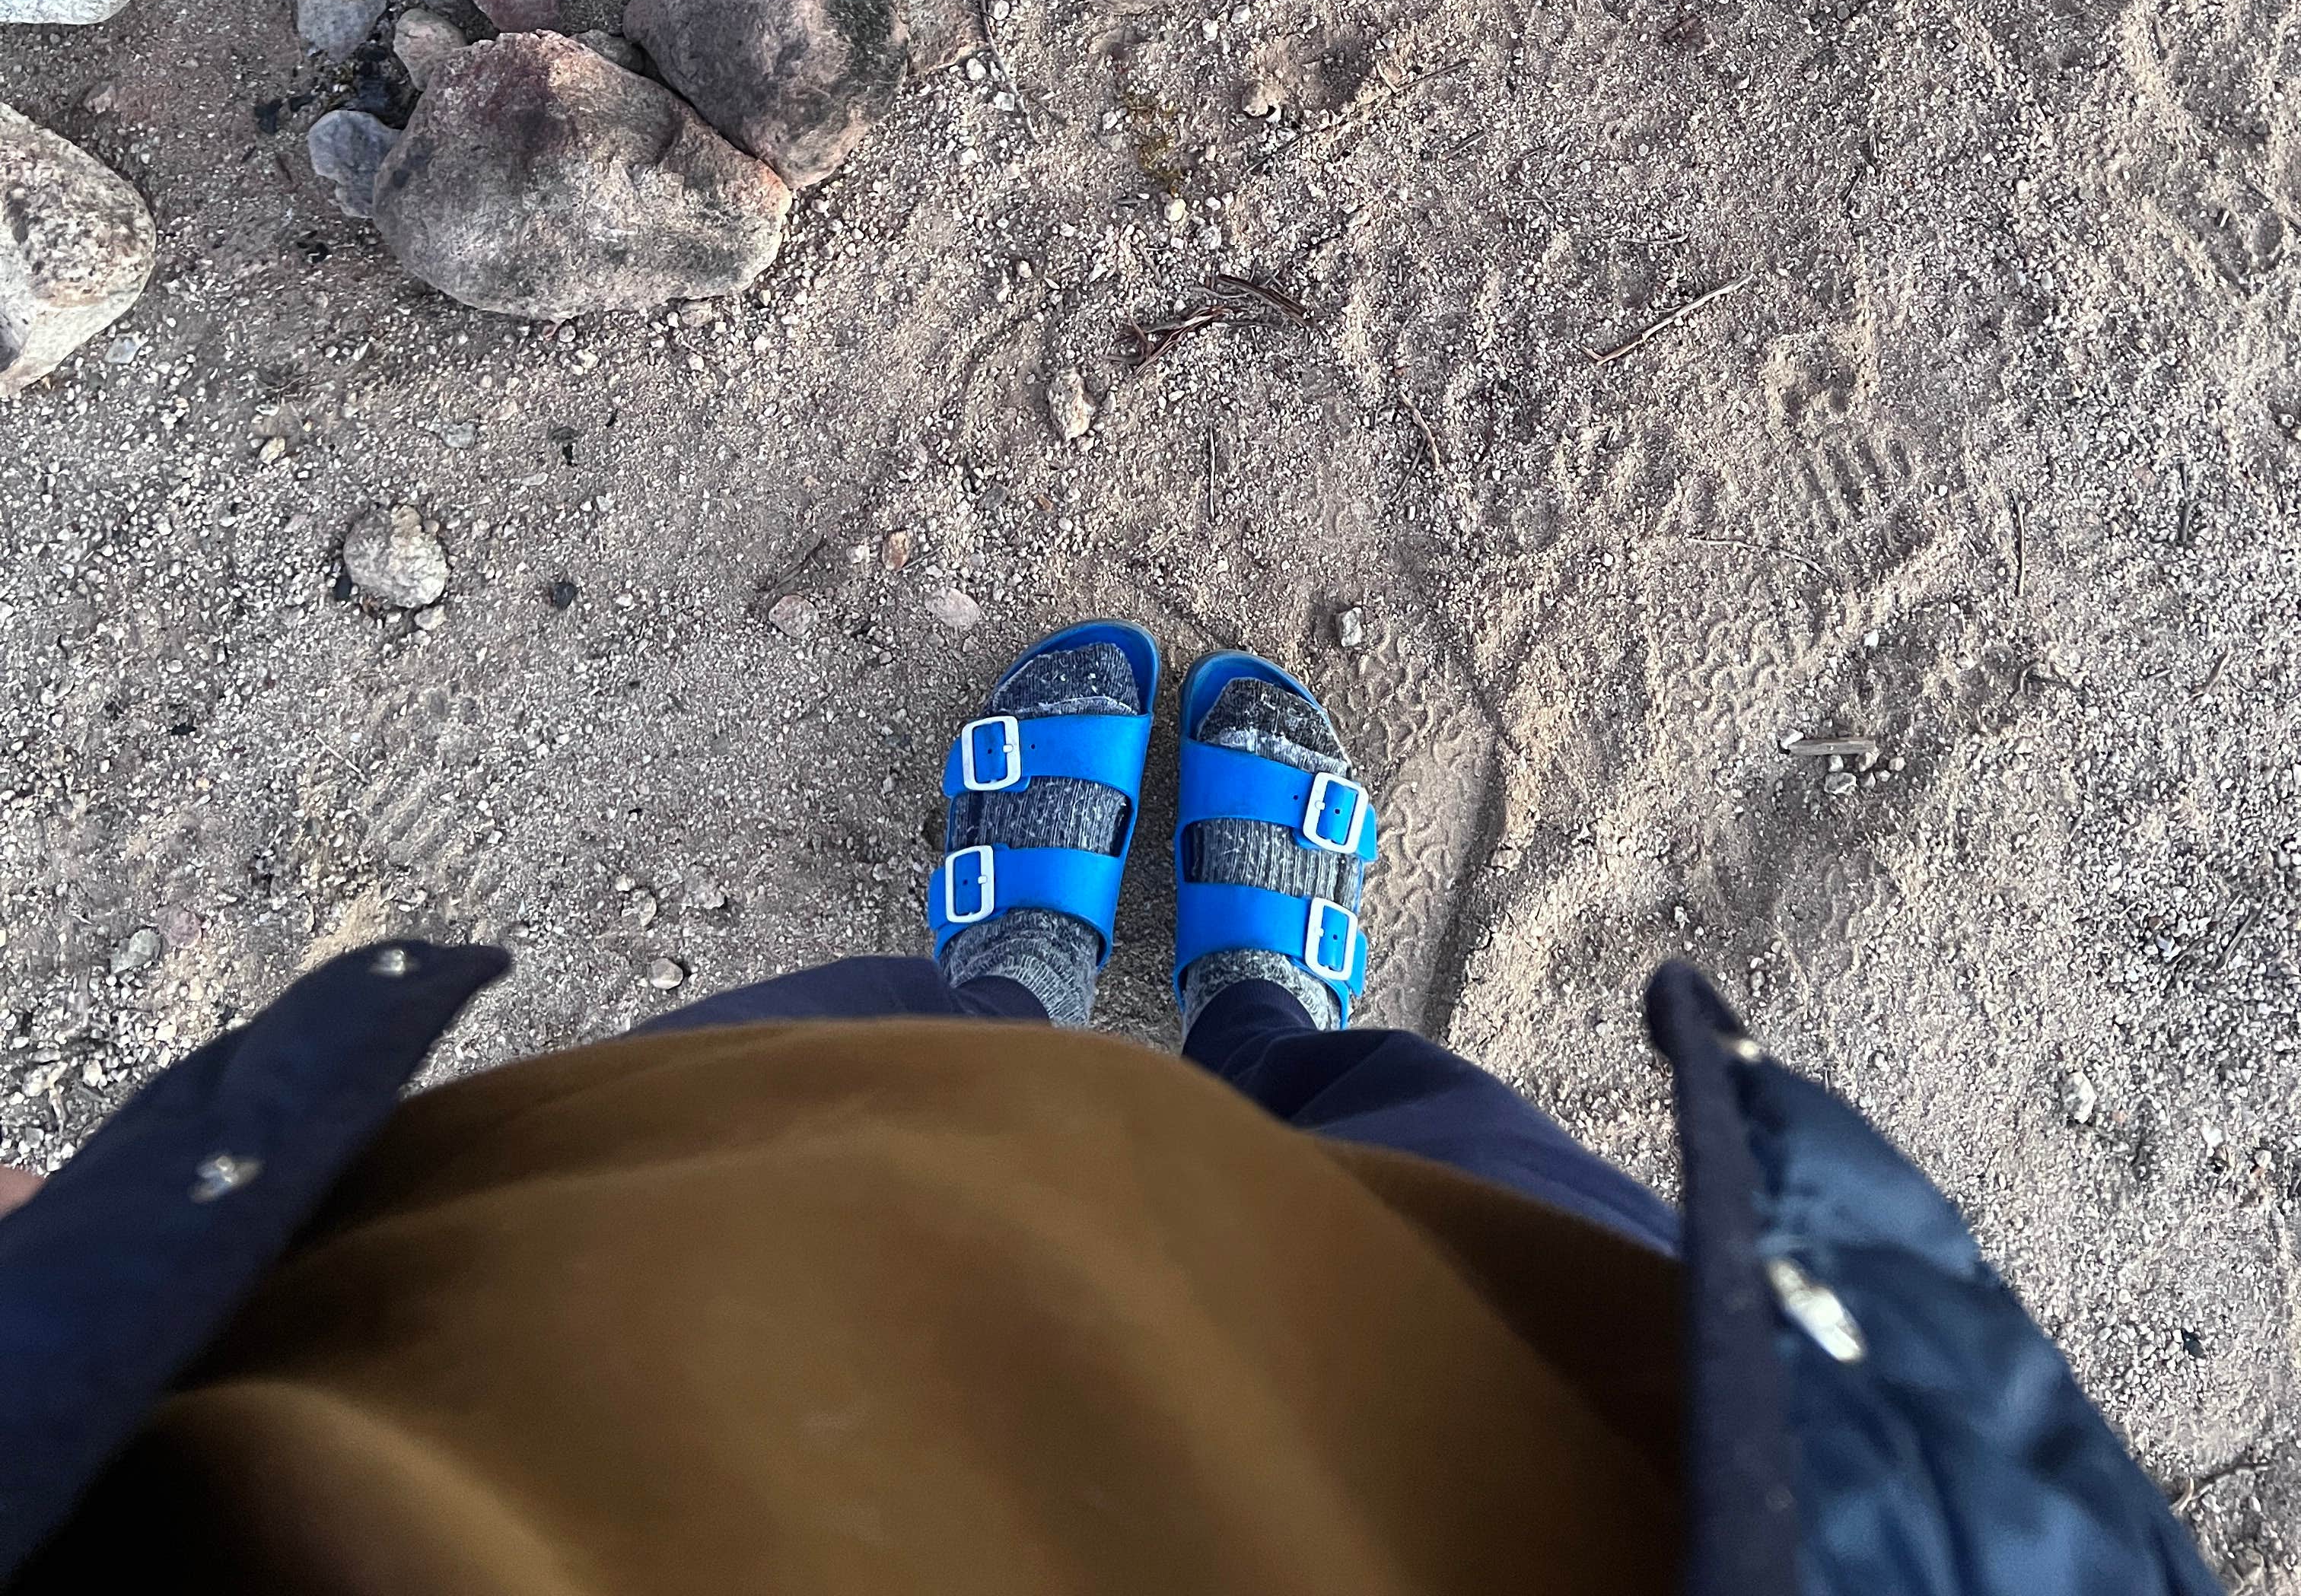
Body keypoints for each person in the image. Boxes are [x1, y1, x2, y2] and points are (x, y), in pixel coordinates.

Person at [0, 622, 2216, 1594]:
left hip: (547, 1445)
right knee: (1459, 1216)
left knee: (837, 1129)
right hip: (1645, 1526)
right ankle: (1258, 1006)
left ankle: (1018, 996)